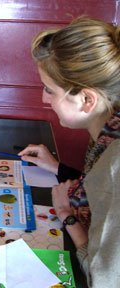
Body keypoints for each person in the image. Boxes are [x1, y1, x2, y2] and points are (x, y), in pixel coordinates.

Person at [18, 17, 120, 287]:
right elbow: (101, 191)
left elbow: (104, 278)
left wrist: (67, 216)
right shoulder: (110, 127)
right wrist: (58, 168)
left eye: (50, 90)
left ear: (87, 100)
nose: (44, 98)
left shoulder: (117, 159)